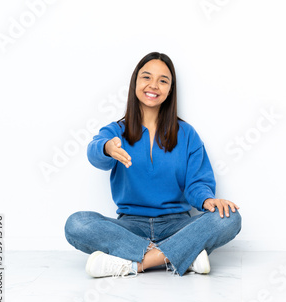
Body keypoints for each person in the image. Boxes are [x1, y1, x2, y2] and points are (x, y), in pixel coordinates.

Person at [64, 52, 242, 278]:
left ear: (170, 90)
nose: (154, 85)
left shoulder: (186, 134)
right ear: (135, 83)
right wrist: (107, 148)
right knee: (77, 224)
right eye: (146, 77)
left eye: (163, 80)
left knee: (230, 217)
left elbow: (197, 183)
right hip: (131, 227)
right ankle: (182, 255)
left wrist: (207, 200)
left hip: (177, 226)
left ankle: (134, 264)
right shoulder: (116, 130)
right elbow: (95, 152)